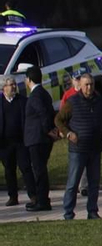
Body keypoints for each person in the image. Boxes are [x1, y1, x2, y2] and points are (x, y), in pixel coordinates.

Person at [54, 73, 102, 219]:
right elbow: (59, 120)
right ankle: (68, 212)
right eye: (86, 85)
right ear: (80, 85)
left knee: (94, 182)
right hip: (78, 149)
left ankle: (92, 211)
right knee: (73, 182)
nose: (89, 88)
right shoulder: (72, 102)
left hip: (95, 148)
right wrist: (68, 133)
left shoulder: (99, 101)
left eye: (91, 84)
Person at [20, 67, 55, 211]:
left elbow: (43, 113)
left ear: (28, 79)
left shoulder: (35, 96)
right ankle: (41, 199)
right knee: (40, 170)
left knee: (39, 171)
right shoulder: (44, 93)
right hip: (41, 139)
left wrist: (48, 130)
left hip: (37, 139)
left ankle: (42, 201)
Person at [1, 73, 28, 207]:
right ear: (3, 88)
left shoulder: (22, 101)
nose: (12, 87)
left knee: (25, 167)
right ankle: (13, 196)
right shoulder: (1, 103)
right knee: (9, 170)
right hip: (5, 143)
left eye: (14, 85)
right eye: (9, 85)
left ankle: (33, 195)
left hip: (21, 141)